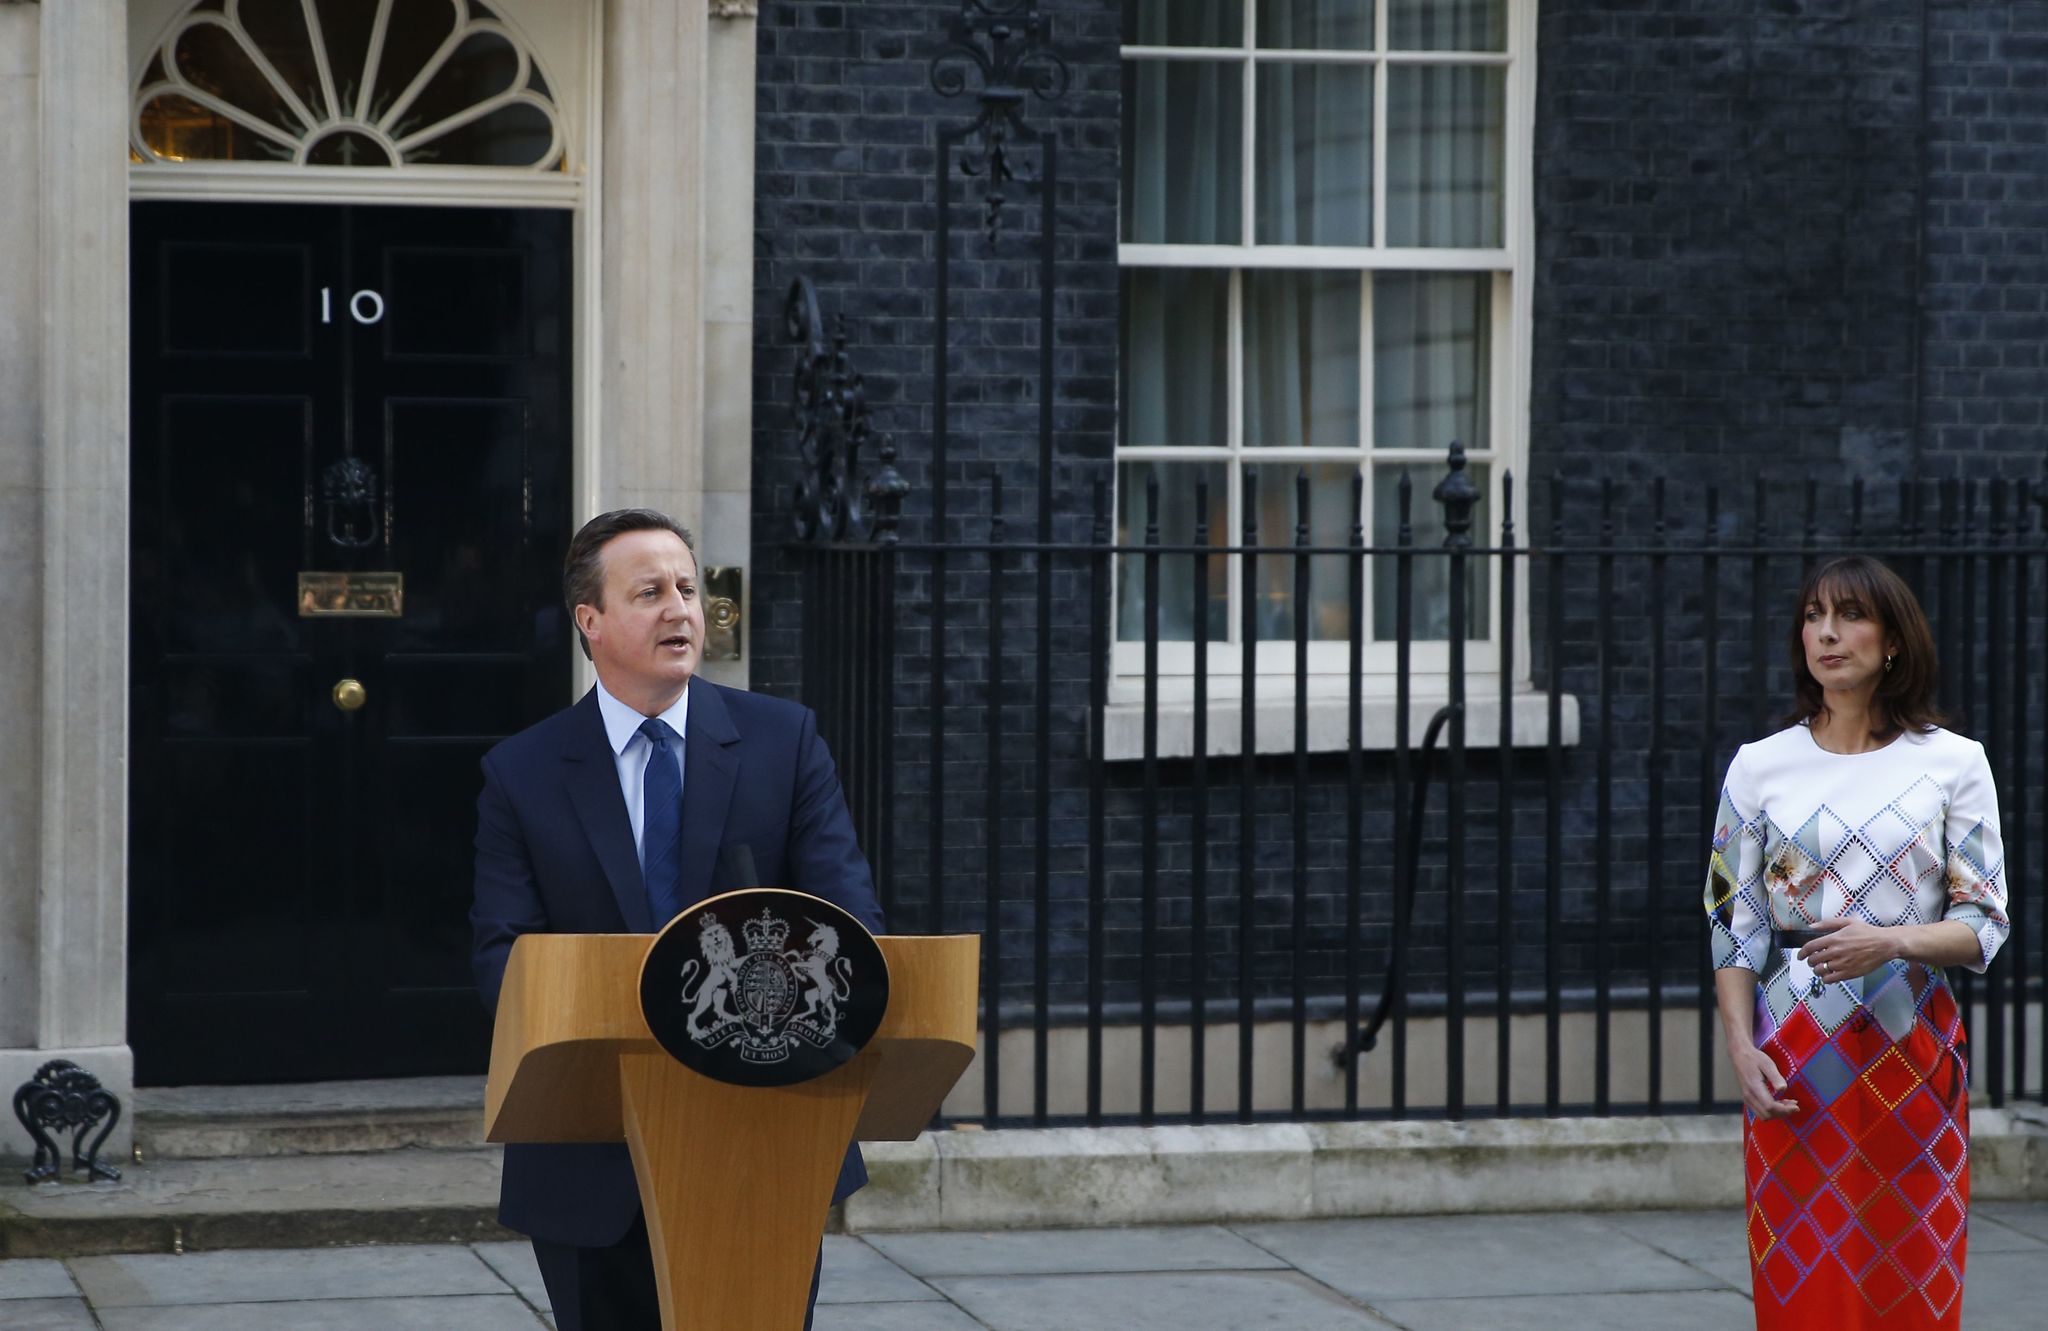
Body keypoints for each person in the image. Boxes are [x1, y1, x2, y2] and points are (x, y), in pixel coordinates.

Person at [471, 508, 885, 1331]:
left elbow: (849, 921)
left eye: (689, 590)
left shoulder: (783, 741)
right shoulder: (522, 772)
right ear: (589, 620)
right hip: (590, 1158)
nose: (681, 609)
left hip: (766, 1143)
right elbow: (501, 960)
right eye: (651, 591)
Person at [1706, 554, 2008, 1330]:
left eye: (1850, 616)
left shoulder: (1954, 763)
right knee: (1801, 1262)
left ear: (1895, 641)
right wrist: (1741, 1046)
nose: (1828, 633)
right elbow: (1731, 924)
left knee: (1908, 1259)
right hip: (1794, 1048)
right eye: (1813, 616)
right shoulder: (1758, 766)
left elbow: (1986, 921)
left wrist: (1892, 941)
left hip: (1914, 1048)